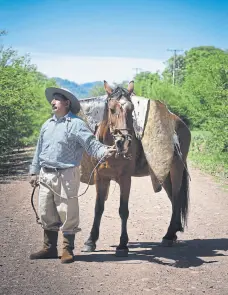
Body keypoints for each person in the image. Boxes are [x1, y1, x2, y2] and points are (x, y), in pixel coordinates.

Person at [29, 87, 116, 264]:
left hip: (67, 173)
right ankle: (49, 248)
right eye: (52, 100)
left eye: (57, 100)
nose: (52, 102)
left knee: (68, 212)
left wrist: (105, 151)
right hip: (46, 174)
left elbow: (91, 144)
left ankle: (67, 249)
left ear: (67, 103)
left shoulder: (76, 124)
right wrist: (34, 170)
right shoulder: (47, 125)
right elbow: (39, 149)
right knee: (46, 212)